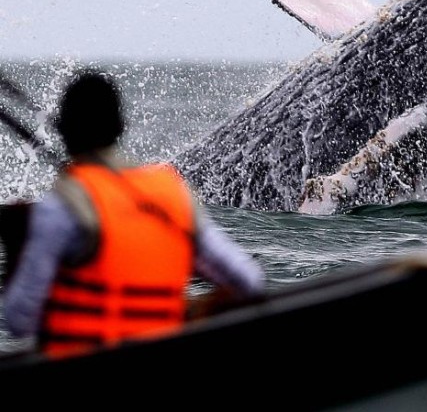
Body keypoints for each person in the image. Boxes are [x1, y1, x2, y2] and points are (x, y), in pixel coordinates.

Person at [2, 69, 265, 357]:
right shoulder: (172, 190)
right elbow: (249, 281)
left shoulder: (62, 205)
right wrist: (194, 307)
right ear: (121, 128)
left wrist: (16, 244)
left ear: (64, 130)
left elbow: (19, 321)